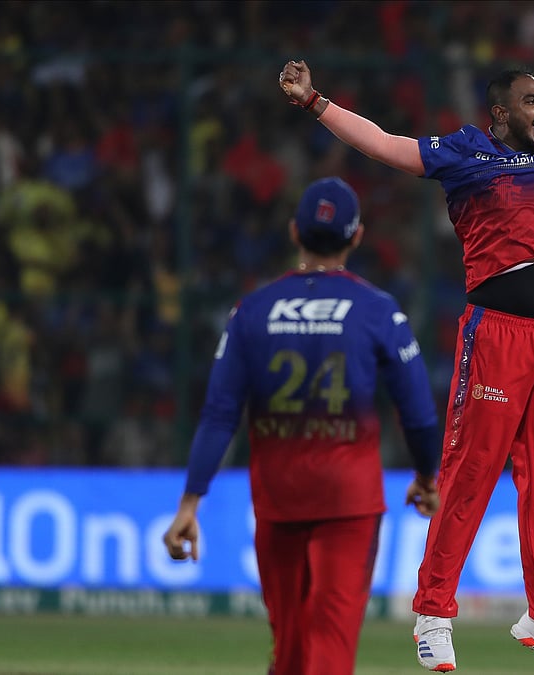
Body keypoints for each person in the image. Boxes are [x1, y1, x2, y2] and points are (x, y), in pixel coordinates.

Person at [279, 32, 534, 674]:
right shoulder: (465, 152)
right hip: (496, 335)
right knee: (470, 471)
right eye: (532, 100)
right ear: (500, 113)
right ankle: (433, 612)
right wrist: (317, 102)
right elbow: (388, 145)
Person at [162, 177, 442, 675]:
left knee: (289, 651)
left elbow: (220, 413)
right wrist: (426, 476)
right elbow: (418, 412)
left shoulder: (252, 310)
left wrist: (190, 501)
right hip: (349, 501)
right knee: (329, 647)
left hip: (278, 499)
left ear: (294, 231)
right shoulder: (377, 310)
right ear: (357, 237)